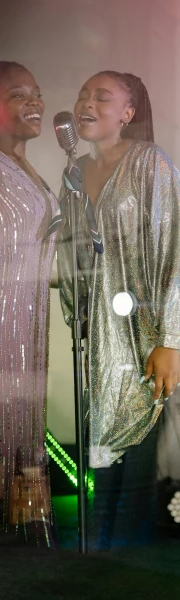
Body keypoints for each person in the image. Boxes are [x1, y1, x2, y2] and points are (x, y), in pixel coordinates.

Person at [58, 71, 180, 549]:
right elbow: (69, 251)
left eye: (102, 96)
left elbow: (176, 248)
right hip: (96, 334)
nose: (86, 103)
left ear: (128, 113)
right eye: (82, 94)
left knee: (134, 445)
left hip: (144, 336)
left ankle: (126, 558)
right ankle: (95, 552)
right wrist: (75, 313)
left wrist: (170, 340)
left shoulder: (150, 163)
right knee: (98, 445)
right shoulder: (73, 172)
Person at [0, 61, 59, 547]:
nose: (35, 102)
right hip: (3, 317)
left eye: (36, 92)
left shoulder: (28, 167)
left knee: (21, 417)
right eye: (20, 94)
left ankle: (21, 531)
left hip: (27, 318)